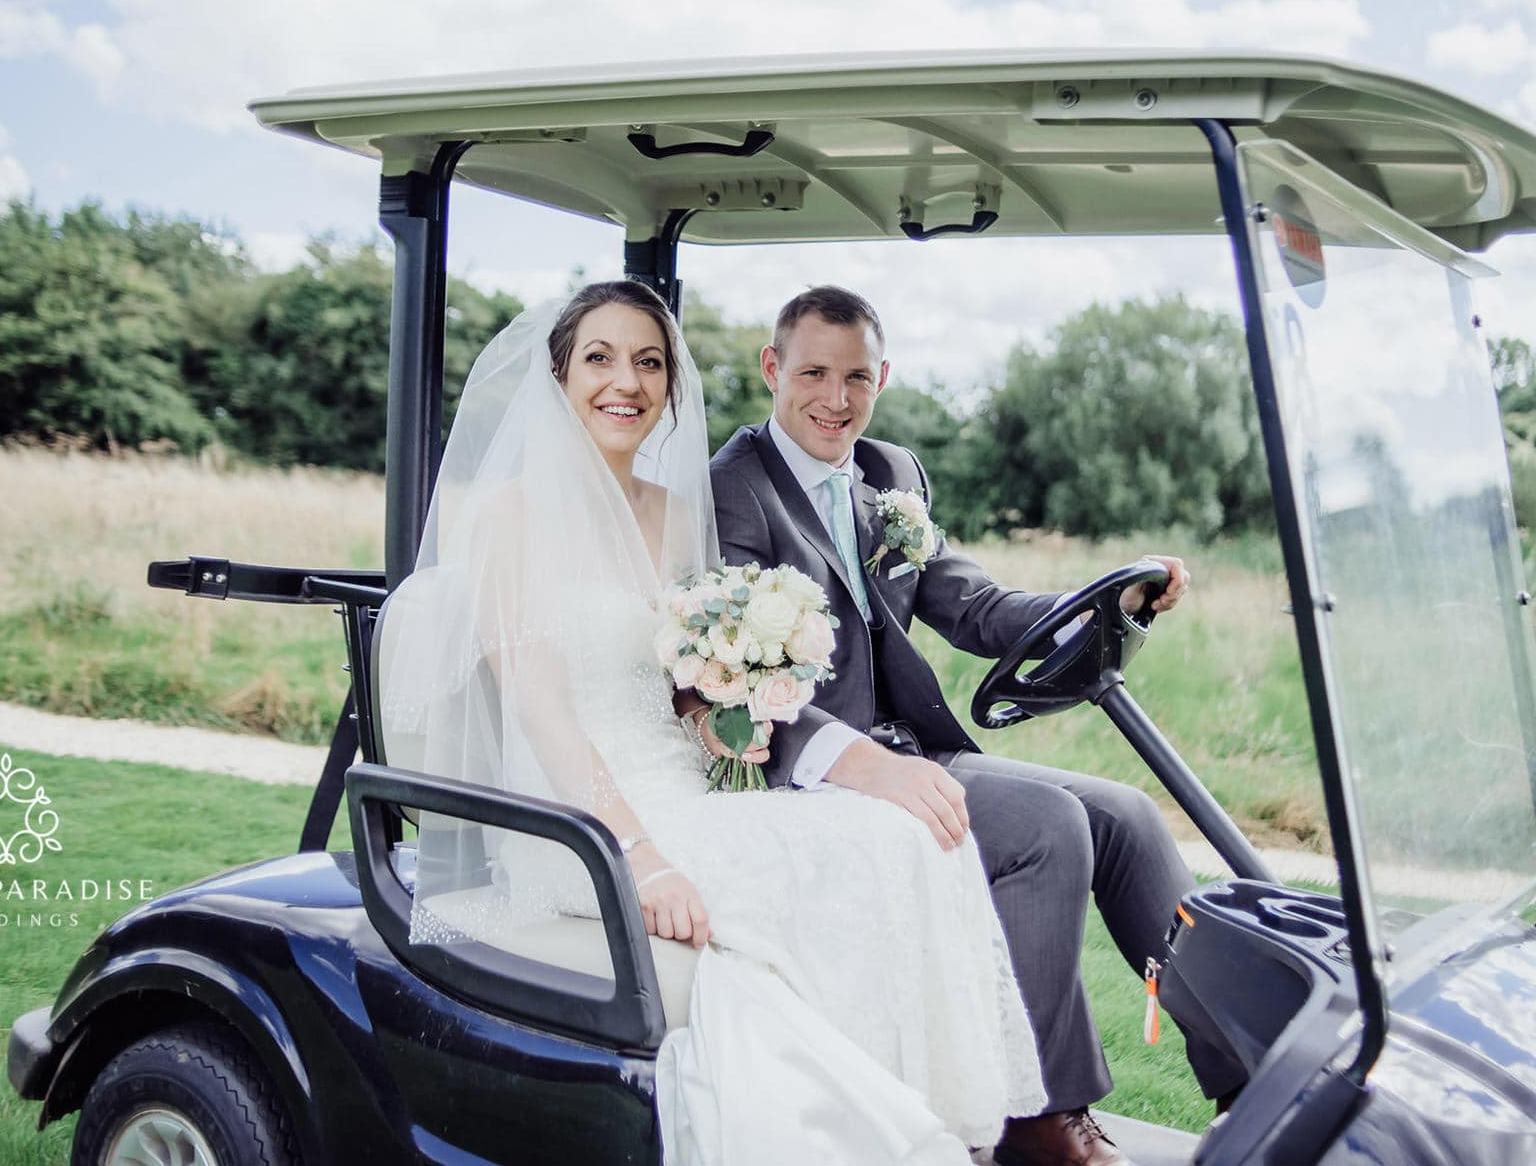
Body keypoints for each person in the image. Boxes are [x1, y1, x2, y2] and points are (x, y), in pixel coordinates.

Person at [379, 281, 1045, 1165]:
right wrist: (640, 857)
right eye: (601, 358)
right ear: (558, 375)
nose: (629, 381)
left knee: (909, 835)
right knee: (873, 856)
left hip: (686, 794)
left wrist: (728, 714)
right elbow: (544, 711)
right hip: (582, 826)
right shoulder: (510, 518)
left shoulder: (679, 513)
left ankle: (945, 1121)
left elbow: (682, 689)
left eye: (649, 361)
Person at [708, 286, 1247, 1166]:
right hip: (813, 776)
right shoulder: (733, 490)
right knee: (1047, 827)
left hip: (913, 747)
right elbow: (732, 683)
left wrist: (1096, 605)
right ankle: (1033, 1118)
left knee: (1127, 818)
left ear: (882, 377)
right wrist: (858, 762)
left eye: (856, 378)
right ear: (773, 368)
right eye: (813, 373)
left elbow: (977, 603)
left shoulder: (890, 473)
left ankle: (1249, 1081)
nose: (835, 399)